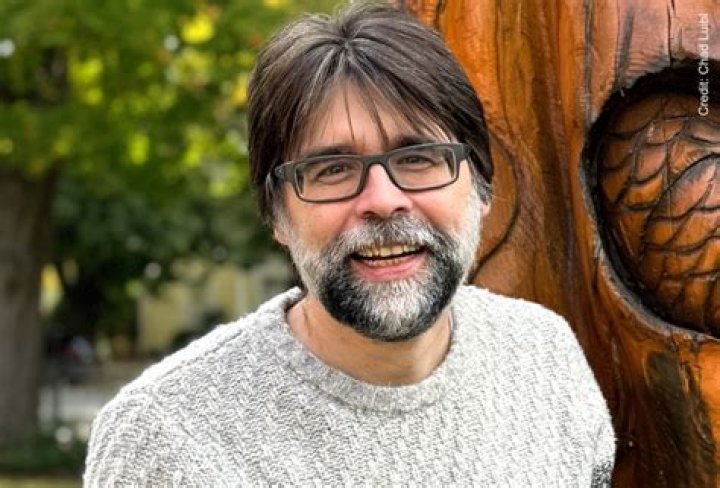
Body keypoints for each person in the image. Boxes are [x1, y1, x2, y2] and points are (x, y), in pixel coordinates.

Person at [84, 2, 615, 485]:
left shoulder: (545, 359)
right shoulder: (164, 441)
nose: (383, 200)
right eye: (333, 169)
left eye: (417, 158)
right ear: (276, 214)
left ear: (482, 187)